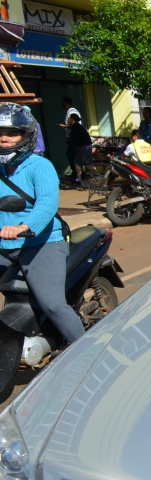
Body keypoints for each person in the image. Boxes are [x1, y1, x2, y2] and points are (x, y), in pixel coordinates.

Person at [0, 103, 85, 344]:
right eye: (0, 134)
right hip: (4, 245)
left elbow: (47, 205)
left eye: (11, 133)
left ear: (26, 136)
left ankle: (86, 351)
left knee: (53, 304)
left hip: (41, 242)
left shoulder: (40, 166)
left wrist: (22, 227)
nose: (4, 139)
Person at [66, 115, 98, 184]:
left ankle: (99, 177)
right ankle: (78, 179)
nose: (68, 120)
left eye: (69, 119)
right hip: (80, 147)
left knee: (87, 164)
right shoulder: (78, 126)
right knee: (77, 162)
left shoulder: (75, 127)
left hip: (83, 147)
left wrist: (69, 143)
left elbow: (74, 137)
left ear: (72, 119)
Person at [57, 97, 80, 177]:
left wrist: (63, 126)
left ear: (65, 103)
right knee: (71, 155)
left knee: (72, 156)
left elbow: (74, 126)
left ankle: (78, 174)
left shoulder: (72, 112)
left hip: (74, 138)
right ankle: (76, 173)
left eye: (62, 102)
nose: (61, 104)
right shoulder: (70, 112)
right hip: (71, 138)